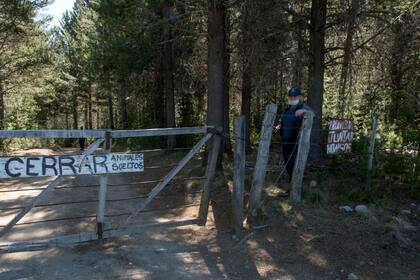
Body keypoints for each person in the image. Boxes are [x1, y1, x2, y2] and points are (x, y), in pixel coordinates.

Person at [274, 87, 311, 196]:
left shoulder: (302, 107)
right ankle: (291, 189)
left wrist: (304, 111)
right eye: (290, 96)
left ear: (299, 97)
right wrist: (279, 126)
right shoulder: (286, 110)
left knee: (295, 166)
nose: (292, 98)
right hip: (285, 142)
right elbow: (282, 122)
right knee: (288, 166)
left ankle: (294, 191)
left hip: (297, 143)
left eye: (294, 96)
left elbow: (312, 112)